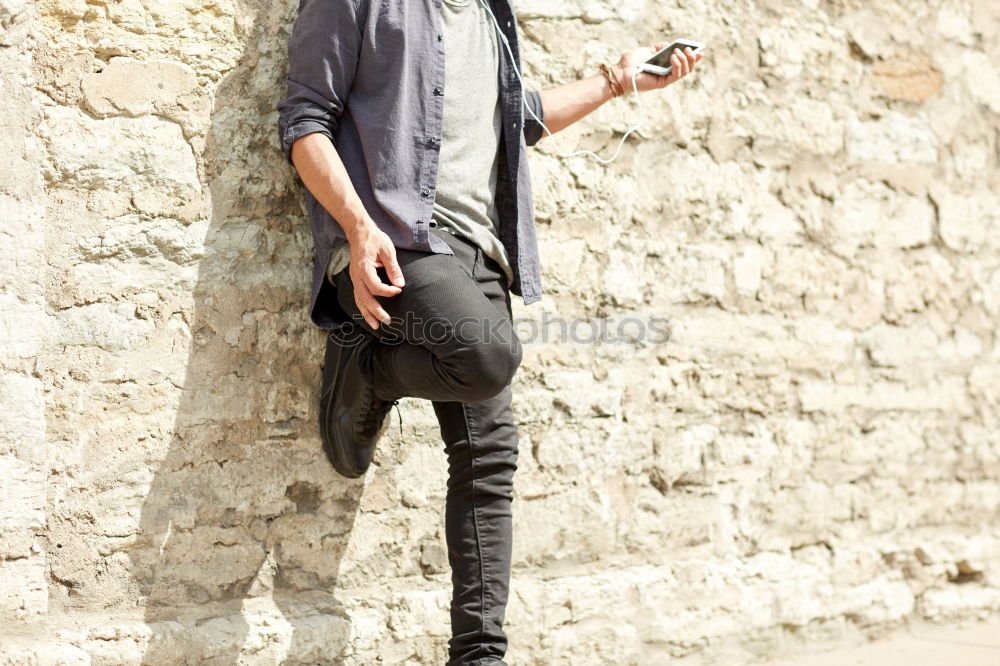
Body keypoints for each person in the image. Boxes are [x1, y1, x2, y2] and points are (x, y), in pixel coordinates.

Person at [276, 2, 702, 663]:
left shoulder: (487, 13)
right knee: (488, 356)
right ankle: (366, 365)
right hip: (398, 241)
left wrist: (620, 81)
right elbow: (306, 121)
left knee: (489, 458)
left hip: (481, 254)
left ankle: (479, 656)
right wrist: (359, 232)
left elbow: (516, 119)